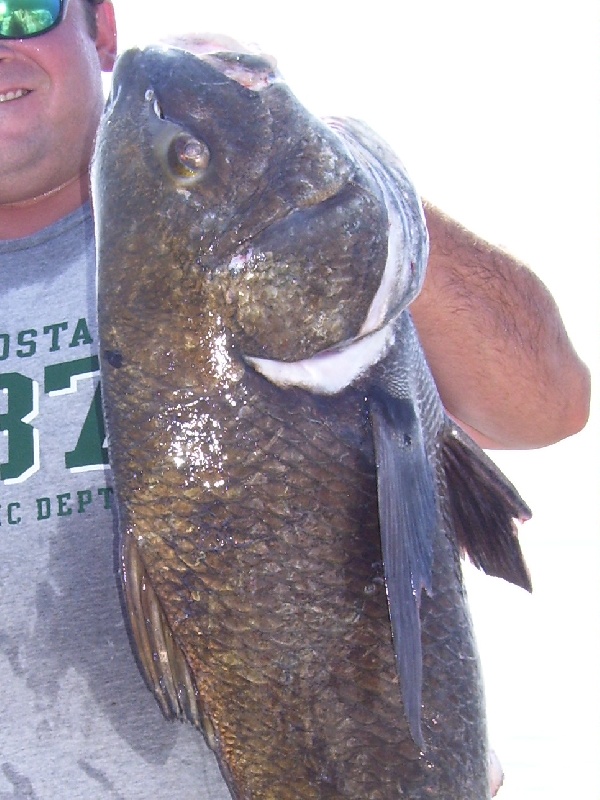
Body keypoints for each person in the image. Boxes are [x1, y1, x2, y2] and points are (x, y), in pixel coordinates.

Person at [0, 1, 590, 798]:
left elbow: (549, 403)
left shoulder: (317, 240)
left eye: (23, 7)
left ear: (100, 26)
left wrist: (347, 185)